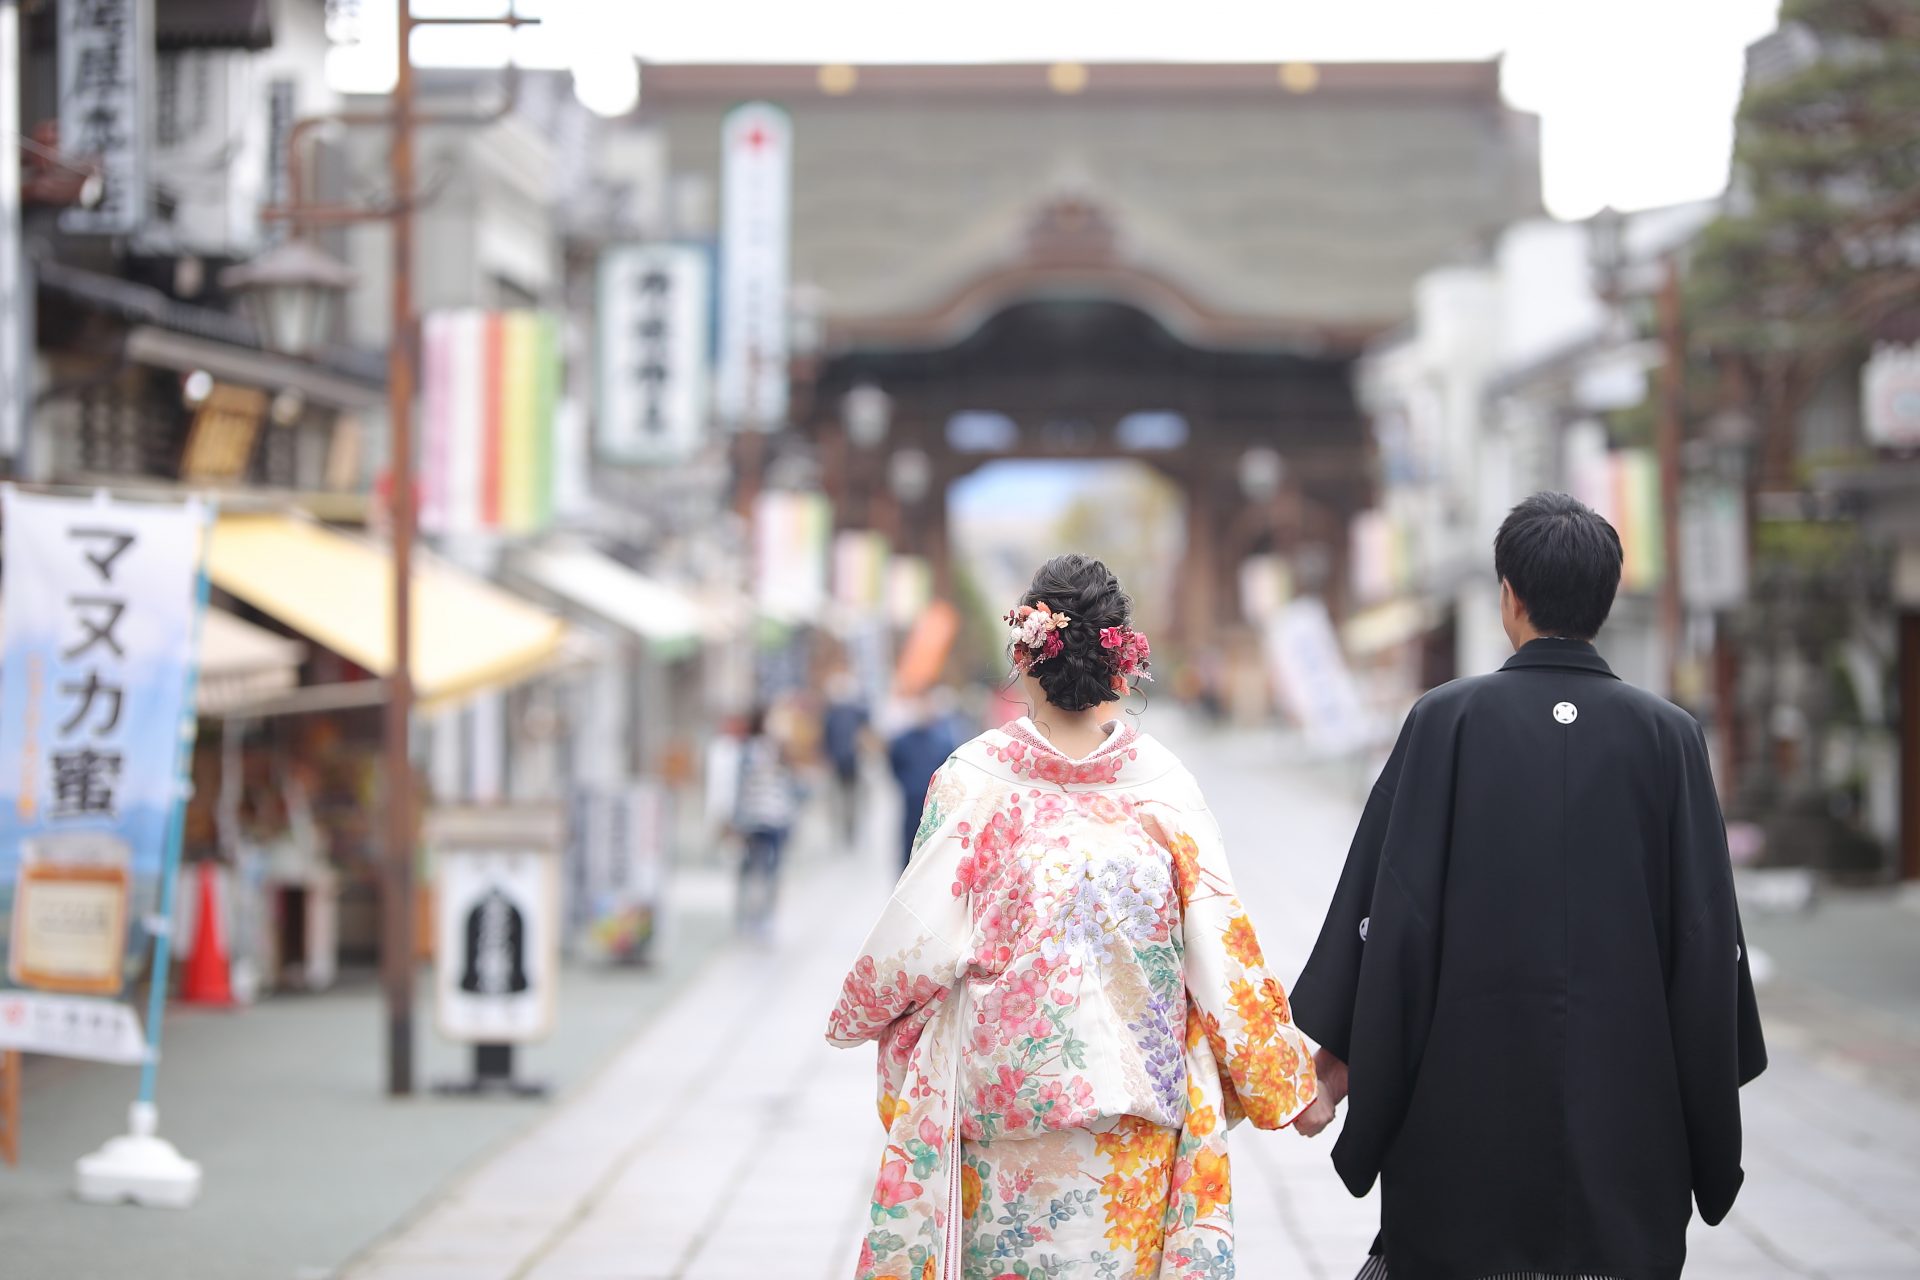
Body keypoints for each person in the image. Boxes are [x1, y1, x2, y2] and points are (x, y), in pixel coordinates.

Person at [1289, 492, 1767, 1280]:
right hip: (1628, 1124)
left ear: (1508, 596)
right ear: (1606, 601)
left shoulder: (1445, 722)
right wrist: (1709, 1131)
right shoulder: (1670, 739)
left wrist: (1341, 1060)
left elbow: (1391, 917)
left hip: (1462, 1122)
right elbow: (1707, 938)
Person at [828, 554, 1317, 1280]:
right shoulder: (1163, 790)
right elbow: (1223, 951)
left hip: (1001, 1114)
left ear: (1024, 662)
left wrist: (865, 1016)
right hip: (1135, 1124)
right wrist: (1286, 1082)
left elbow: (912, 944)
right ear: (1123, 668)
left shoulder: (972, 782)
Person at [732, 704, 799, 940]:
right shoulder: (756, 751)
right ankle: (755, 916)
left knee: (758, 869)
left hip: (767, 817)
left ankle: (754, 917)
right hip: (764, 818)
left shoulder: (774, 751)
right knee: (761, 869)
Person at [885, 691, 959, 870]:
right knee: (909, 843)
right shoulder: (902, 741)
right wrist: (907, 784)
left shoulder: (941, 740)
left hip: (936, 803)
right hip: (911, 800)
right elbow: (894, 764)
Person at [822, 671, 871, 848]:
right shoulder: (835, 713)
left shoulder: (850, 712)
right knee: (845, 798)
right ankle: (846, 828)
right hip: (842, 761)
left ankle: (849, 827)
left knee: (850, 797)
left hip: (850, 760)